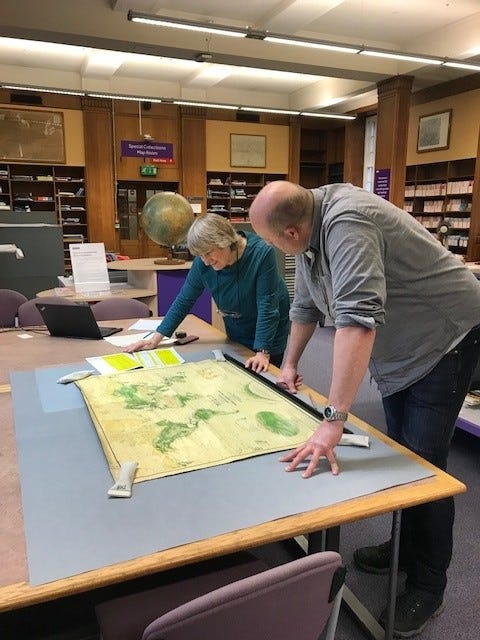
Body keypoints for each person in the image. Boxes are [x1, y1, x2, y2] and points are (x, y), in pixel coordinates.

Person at [249, 180, 480, 637]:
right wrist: (289, 363)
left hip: (444, 339)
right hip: (401, 350)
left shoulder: (347, 223)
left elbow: (356, 323)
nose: (275, 248)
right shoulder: (309, 225)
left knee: (425, 467)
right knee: (403, 455)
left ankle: (428, 586)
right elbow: (306, 304)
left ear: (291, 233)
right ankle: (405, 547)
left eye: (273, 242)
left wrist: (333, 419)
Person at [126, 212, 290, 372]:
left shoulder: (261, 253)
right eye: (200, 255)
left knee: (263, 378)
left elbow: (267, 306)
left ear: (225, 242)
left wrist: (262, 351)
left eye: (208, 253)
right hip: (238, 326)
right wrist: (156, 338)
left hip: (269, 330)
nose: (205, 260)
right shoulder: (203, 262)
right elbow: (184, 300)